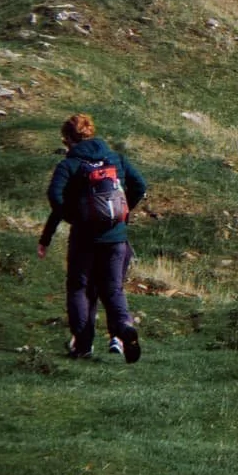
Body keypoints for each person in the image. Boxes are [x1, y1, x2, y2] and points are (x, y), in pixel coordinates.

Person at [38, 113, 148, 362]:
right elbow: (140, 184)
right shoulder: (115, 158)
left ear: (67, 139)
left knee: (79, 288)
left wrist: (72, 220)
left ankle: (83, 345)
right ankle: (124, 328)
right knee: (113, 289)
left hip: (84, 239)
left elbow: (56, 198)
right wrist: (122, 212)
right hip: (116, 237)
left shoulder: (70, 165)